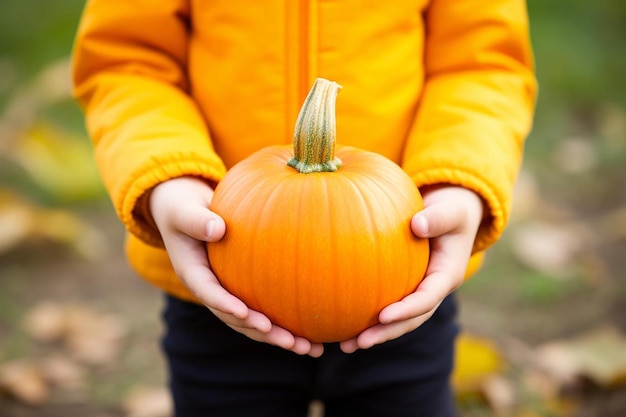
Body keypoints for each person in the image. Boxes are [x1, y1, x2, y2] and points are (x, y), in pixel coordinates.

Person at [72, 0, 536, 415]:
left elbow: (481, 64)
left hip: (403, 286)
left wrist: (460, 180)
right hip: (219, 288)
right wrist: (168, 178)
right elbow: (127, 63)